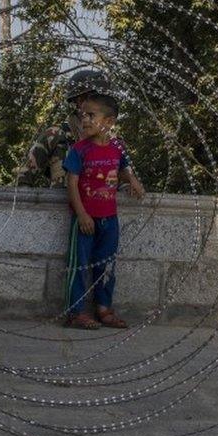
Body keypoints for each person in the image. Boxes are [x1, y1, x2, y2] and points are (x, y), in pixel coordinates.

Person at [62, 93, 145, 329]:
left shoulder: (116, 147)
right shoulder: (79, 150)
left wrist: (133, 181)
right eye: (82, 116)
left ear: (108, 122)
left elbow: (123, 167)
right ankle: (75, 311)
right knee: (79, 265)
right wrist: (81, 214)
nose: (84, 120)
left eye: (91, 115)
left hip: (110, 219)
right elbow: (72, 183)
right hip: (85, 220)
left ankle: (103, 308)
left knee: (106, 265)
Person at [16, 69, 111, 188]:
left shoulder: (110, 141)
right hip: (60, 205)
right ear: (80, 101)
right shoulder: (55, 135)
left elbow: (124, 183)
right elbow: (23, 178)